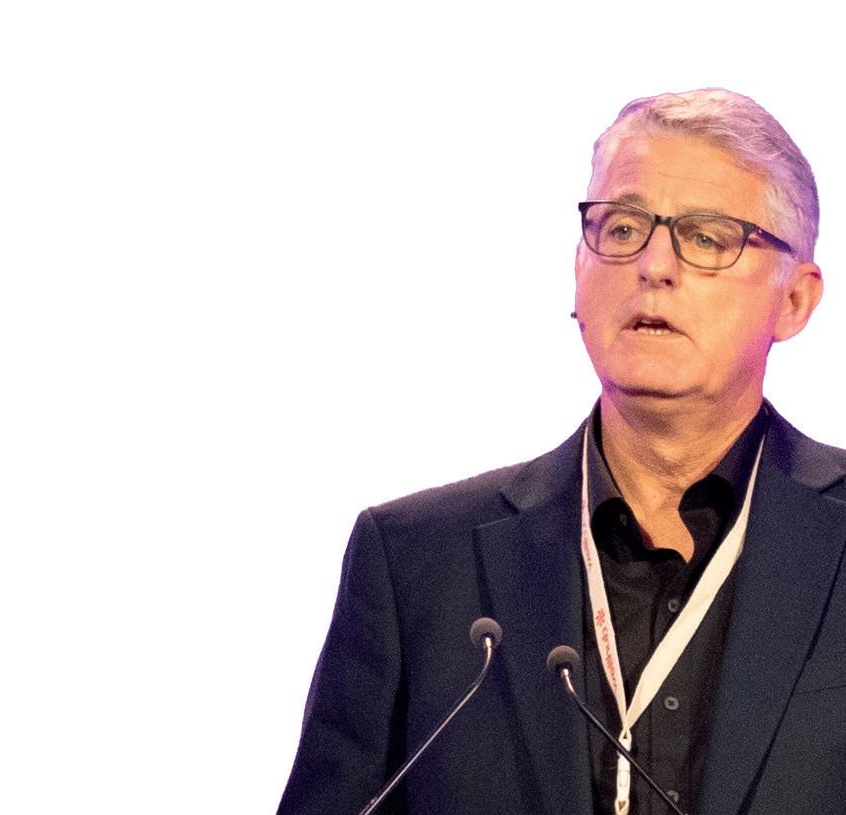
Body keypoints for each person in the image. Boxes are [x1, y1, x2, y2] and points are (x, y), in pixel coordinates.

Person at [277, 89, 846, 815]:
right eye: (623, 228)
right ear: (579, 269)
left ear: (795, 301)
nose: (654, 265)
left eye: (706, 238)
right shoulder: (416, 562)